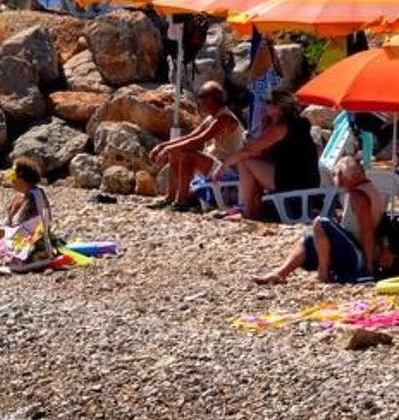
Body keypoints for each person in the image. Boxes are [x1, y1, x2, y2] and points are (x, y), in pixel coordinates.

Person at [253, 156, 386, 284]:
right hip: (355, 250)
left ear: (342, 175)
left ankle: (323, 274)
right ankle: (280, 273)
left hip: (358, 257)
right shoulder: (368, 189)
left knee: (319, 222)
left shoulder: (358, 196)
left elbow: (367, 230)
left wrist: (368, 266)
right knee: (309, 238)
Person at [224, 90, 320, 222]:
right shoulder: (294, 124)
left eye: (268, 103)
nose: (264, 106)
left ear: (279, 108)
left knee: (245, 162)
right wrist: (264, 126)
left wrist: (223, 166)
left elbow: (249, 150)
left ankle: (247, 211)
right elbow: (258, 152)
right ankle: (254, 209)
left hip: (294, 180)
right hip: (304, 179)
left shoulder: (281, 128)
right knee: (253, 163)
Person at [148, 81, 245, 209]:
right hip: (216, 165)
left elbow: (199, 140)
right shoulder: (212, 118)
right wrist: (163, 146)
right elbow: (191, 136)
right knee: (176, 153)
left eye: (203, 97)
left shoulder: (225, 119)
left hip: (228, 170)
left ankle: (181, 201)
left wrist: (166, 149)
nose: (200, 101)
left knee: (189, 156)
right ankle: (170, 197)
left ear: (213, 99)